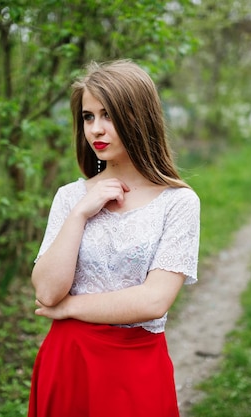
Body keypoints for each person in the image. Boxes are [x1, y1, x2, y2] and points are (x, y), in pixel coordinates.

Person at [28, 59, 200, 417]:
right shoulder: (69, 198)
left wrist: (69, 309)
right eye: (88, 117)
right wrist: (80, 213)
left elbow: (154, 301)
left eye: (108, 115)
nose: (96, 130)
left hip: (135, 368)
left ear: (139, 117)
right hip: (68, 361)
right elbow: (46, 292)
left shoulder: (178, 203)